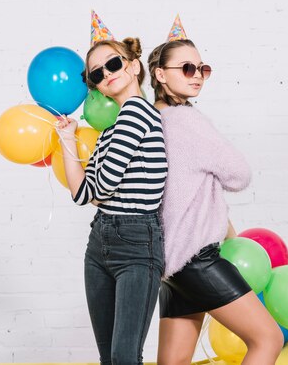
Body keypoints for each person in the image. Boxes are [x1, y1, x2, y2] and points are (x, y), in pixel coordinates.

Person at [147, 37, 283, 364]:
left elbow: (179, 196)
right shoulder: (188, 121)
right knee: (268, 339)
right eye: (187, 68)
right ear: (160, 75)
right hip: (197, 259)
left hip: (169, 266)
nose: (197, 75)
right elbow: (239, 174)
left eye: (203, 69)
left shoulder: (149, 123)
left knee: (173, 362)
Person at [56, 35, 168, 365]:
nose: (107, 73)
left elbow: (99, 187)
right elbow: (81, 194)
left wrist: (95, 188)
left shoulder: (137, 112)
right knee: (111, 358)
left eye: (114, 63)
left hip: (136, 243)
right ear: (97, 87)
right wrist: (66, 138)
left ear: (133, 67)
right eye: (96, 74)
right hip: (100, 241)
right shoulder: (109, 131)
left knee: (123, 357)